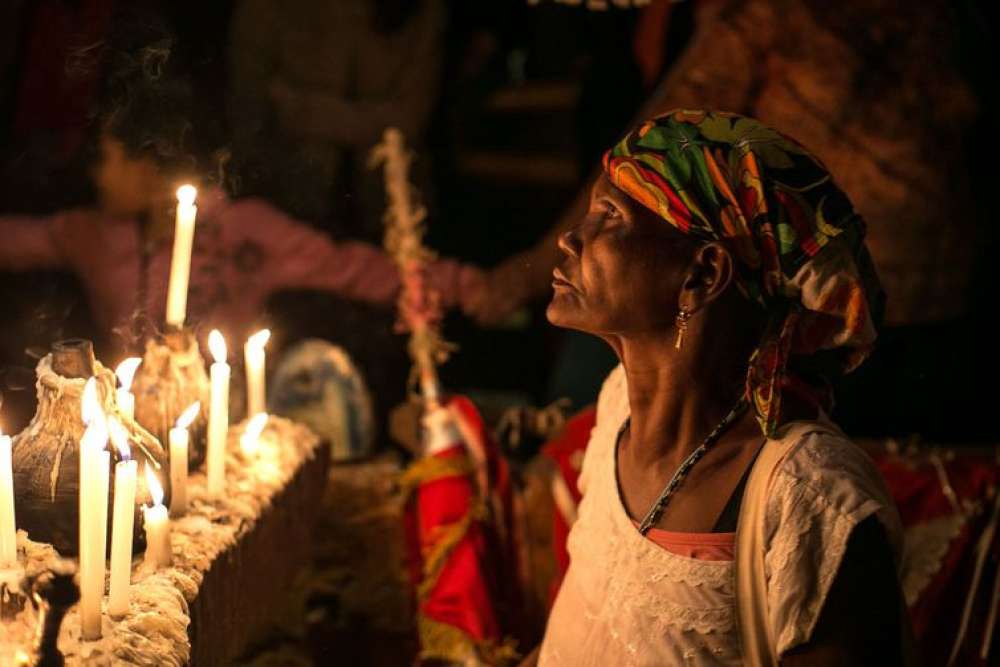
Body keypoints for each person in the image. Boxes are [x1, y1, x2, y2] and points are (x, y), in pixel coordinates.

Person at [521, 110, 912, 665]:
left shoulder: (806, 498)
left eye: (610, 216)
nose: (570, 238)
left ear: (703, 275)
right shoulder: (615, 412)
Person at [0, 81, 485, 350]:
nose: (97, 176)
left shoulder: (242, 229)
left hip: (221, 429)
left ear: (147, 165)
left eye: (105, 159)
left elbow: (353, 270)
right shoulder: (87, 233)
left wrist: (470, 285)